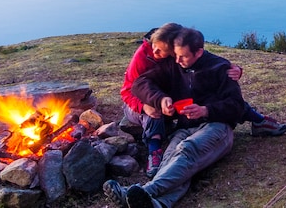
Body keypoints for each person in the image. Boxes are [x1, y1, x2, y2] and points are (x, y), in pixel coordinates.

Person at [118, 24, 286, 176]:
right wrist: (145, 105)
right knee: (153, 112)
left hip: (165, 96)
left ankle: (258, 121)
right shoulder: (144, 56)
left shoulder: (175, 58)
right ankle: (154, 152)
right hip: (137, 102)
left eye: (161, 50)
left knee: (217, 95)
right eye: (154, 47)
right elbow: (129, 89)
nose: (155, 53)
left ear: (172, 49)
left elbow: (206, 59)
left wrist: (233, 69)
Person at [104, 27, 245, 208]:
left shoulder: (220, 68)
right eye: (176, 55)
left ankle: (145, 191)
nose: (177, 60)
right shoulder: (174, 64)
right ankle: (157, 204)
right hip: (185, 127)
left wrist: (205, 110)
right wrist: (160, 99)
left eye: (183, 56)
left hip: (217, 127)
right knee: (172, 160)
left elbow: (237, 106)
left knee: (187, 149)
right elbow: (140, 84)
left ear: (199, 52)